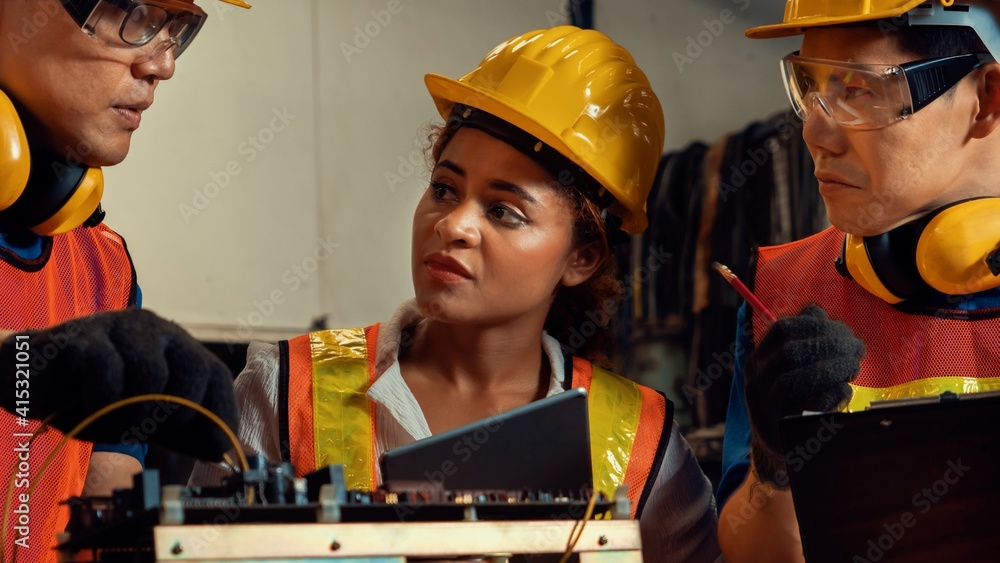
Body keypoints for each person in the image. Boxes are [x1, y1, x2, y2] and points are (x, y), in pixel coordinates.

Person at [190, 25, 723, 562]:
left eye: (503, 211)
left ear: (581, 257)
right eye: (444, 188)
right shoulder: (285, 390)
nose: (454, 225)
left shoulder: (643, 444)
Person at [716, 0, 1000, 560]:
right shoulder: (783, 293)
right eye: (809, 86)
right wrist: (776, 469)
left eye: (860, 90)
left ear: (986, 100)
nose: (815, 133)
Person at [0, 1, 249, 561]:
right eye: (131, 12)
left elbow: (101, 521)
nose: (161, 65)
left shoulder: (102, 268)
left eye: (176, 28)